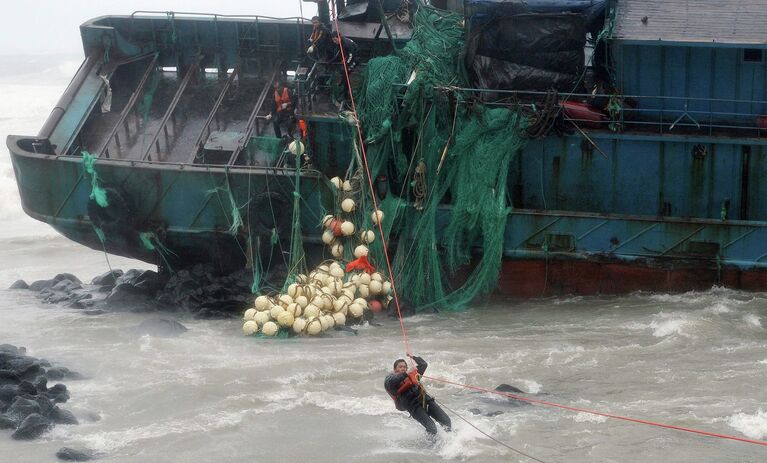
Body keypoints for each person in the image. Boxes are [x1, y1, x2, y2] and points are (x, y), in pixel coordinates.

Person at [384, 356, 452, 436]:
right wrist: (405, 373)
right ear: (395, 369)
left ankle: (451, 440)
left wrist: (413, 357)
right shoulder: (390, 380)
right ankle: (431, 446)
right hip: (413, 407)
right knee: (432, 428)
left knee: (446, 421)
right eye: (400, 367)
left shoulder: (412, 375)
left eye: (405, 367)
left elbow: (423, 364)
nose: (403, 368)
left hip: (425, 399)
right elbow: (392, 381)